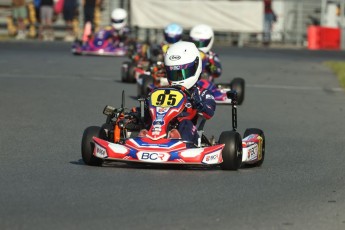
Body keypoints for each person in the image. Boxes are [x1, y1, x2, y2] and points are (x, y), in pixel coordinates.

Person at [164, 41, 216, 146]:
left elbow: (209, 112)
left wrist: (198, 104)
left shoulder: (202, 93)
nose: (178, 79)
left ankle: (179, 141)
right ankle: (145, 139)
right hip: (162, 126)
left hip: (189, 131)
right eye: (173, 74)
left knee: (185, 123)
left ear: (195, 67)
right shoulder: (164, 92)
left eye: (183, 73)